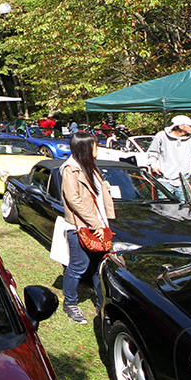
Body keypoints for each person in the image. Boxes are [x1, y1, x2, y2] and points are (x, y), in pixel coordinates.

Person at [60, 131, 115, 324]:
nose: (97, 149)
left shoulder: (92, 167)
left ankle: (102, 303)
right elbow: (74, 200)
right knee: (78, 266)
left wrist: (106, 221)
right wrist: (95, 223)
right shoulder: (70, 169)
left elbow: (102, 196)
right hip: (80, 226)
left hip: (98, 224)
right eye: (95, 145)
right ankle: (70, 303)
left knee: (98, 267)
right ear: (85, 148)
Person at [146, 115, 191, 201]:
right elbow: (152, 153)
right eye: (190, 126)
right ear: (181, 126)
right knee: (165, 207)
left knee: (184, 208)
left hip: (184, 183)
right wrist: (154, 166)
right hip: (164, 182)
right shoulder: (161, 136)